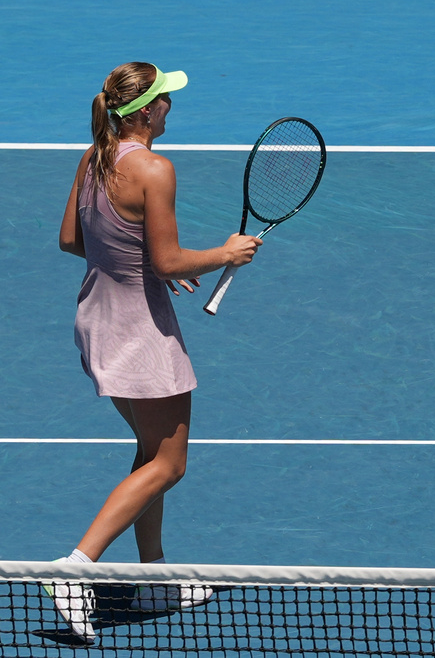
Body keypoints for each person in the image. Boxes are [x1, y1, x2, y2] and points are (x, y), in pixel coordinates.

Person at [53, 62, 263, 641]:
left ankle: (152, 575)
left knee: (150, 453)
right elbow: (169, 261)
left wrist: (135, 264)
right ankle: (77, 568)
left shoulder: (94, 157)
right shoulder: (154, 168)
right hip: (140, 333)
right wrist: (226, 254)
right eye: (165, 99)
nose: (171, 105)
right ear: (145, 111)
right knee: (170, 464)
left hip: (97, 319)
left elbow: (74, 239)